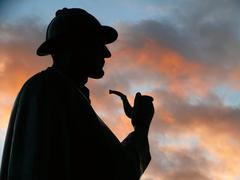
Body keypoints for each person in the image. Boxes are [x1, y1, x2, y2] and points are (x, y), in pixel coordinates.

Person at [0, 8, 154, 180]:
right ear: (77, 45)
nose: (107, 53)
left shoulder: (57, 92)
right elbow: (116, 171)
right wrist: (141, 128)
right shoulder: (50, 90)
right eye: (98, 43)